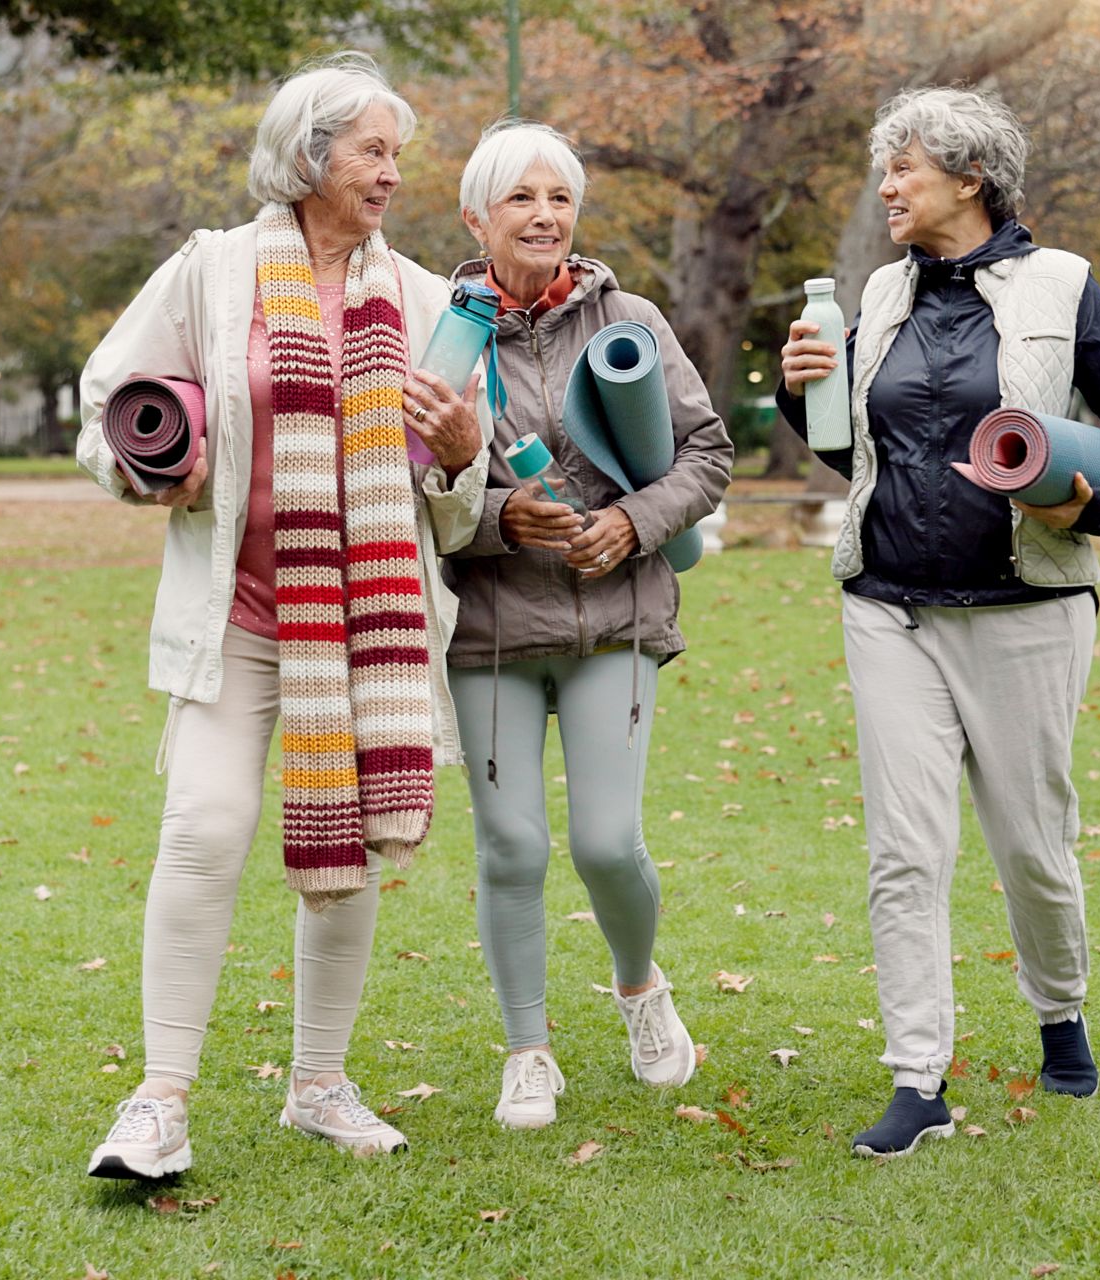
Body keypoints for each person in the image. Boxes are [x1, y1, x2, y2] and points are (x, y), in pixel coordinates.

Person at [76, 52, 491, 1178]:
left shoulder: (416, 298)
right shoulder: (212, 273)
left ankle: (318, 1082)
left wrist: (458, 456)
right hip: (235, 618)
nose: (391, 173)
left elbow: (458, 488)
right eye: (372, 151)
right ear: (309, 158)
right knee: (204, 825)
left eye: (396, 153)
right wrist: (157, 468)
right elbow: (105, 403)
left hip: (368, 630)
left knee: (344, 849)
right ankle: (160, 1098)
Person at [778, 86, 1100, 1158]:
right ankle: (918, 1077)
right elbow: (855, 455)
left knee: (1029, 843)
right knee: (903, 850)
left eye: (903, 168)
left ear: (969, 175)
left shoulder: (1061, 285)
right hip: (887, 605)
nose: (886, 186)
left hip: (1025, 608)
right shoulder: (875, 290)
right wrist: (798, 394)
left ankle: (1058, 1008)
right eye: (884, 168)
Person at [429, 121, 732, 1129]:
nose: (544, 215)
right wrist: (492, 516)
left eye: (558, 197)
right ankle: (527, 1048)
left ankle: (641, 990)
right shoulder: (439, 333)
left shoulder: (628, 317)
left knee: (606, 841)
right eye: (520, 198)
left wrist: (631, 521)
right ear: (476, 216)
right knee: (509, 846)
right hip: (489, 627)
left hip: (616, 615)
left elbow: (706, 452)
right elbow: (398, 479)